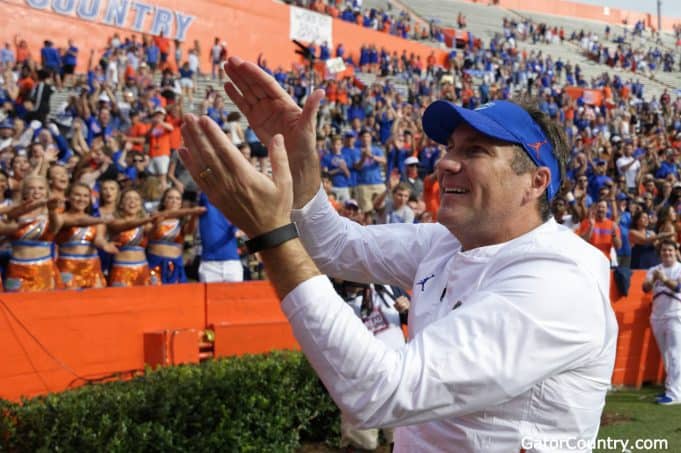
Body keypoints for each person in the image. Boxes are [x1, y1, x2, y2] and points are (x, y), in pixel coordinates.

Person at [179, 57, 617, 452]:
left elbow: (383, 392)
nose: (444, 163)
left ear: (536, 183)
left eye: (475, 151)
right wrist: (300, 163)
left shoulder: (559, 283)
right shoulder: (445, 243)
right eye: (449, 148)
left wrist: (272, 235)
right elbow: (334, 246)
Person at [56, 183, 118, 289]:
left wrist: (104, 245)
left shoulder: (95, 219)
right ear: (68, 197)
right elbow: (78, 221)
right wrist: (101, 220)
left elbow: (99, 238)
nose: (81, 199)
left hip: (92, 267)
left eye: (85, 196)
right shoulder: (61, 217)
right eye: (77, 195)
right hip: (69, 267)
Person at [643, 240, 681, 405]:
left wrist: (664, 279)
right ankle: (670, 388)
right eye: (664, 250)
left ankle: (675, 394)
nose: (667, 253)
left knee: (675, 354)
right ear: (660, 253)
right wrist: (653, 280)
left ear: (675, 251)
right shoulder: (654, 269)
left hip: (675, 315)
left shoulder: (679, 268)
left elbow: (678, 288)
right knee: (666, 355)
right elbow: (645, 288)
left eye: (670, 250)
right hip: (657, 316)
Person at [146, 187, 205, 284]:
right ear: (164, 201)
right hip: (155, 263)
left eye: (178, 198)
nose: (174, 201)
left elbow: (189, 232)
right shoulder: (154, 217)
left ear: (181, 203)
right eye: (170, 198)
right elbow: (149, 235)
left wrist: (194, 215)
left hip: (175, 264)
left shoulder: (183, 221)